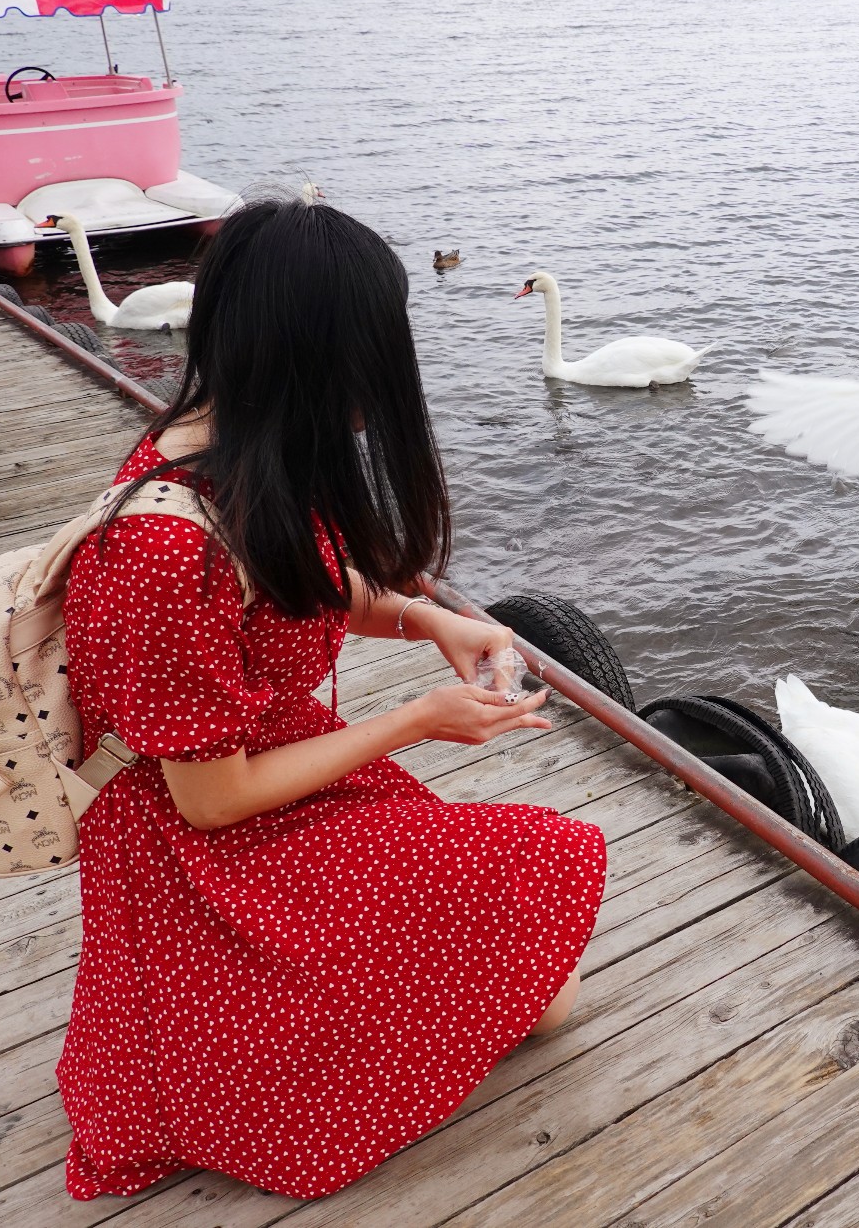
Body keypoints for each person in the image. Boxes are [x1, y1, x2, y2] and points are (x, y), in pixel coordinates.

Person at [54, 197, 607, 1201]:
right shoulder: (161, 547)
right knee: (540, 978)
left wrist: (427, 621)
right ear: (309, 358)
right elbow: (207, 802)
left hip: (274, 775)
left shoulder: (230, 445)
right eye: (368, 355)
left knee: (538, 985)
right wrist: (416, 720)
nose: (380, 384)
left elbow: (290, 577)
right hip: (202, 852)